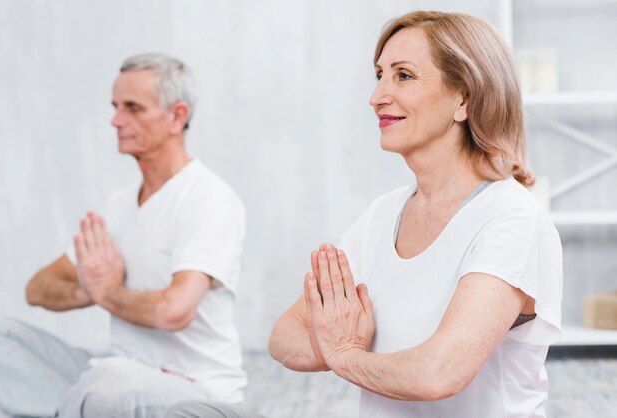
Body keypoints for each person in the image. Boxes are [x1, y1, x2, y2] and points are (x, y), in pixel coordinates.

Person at [166, 10, 563, 418]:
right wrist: (347, 350)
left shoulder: (511, 216)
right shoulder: (384, 214)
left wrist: (345, 353)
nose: (377, 96)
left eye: (403, 75)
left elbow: (438, 373)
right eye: (379, 75)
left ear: (463, 98)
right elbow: (285, 336)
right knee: (192, 413)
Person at [0, 53, 247, 418]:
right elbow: (38, 287)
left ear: (177, 117)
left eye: (132, 108)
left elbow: (174, 312)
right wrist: (87, 289)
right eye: (115, 107)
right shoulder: (119, 206)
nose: (115, 120)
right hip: (117, 372)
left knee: (109, 384)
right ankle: (73, 409)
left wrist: (107, 293)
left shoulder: (208, 198)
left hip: (194, 390)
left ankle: (70, 408)